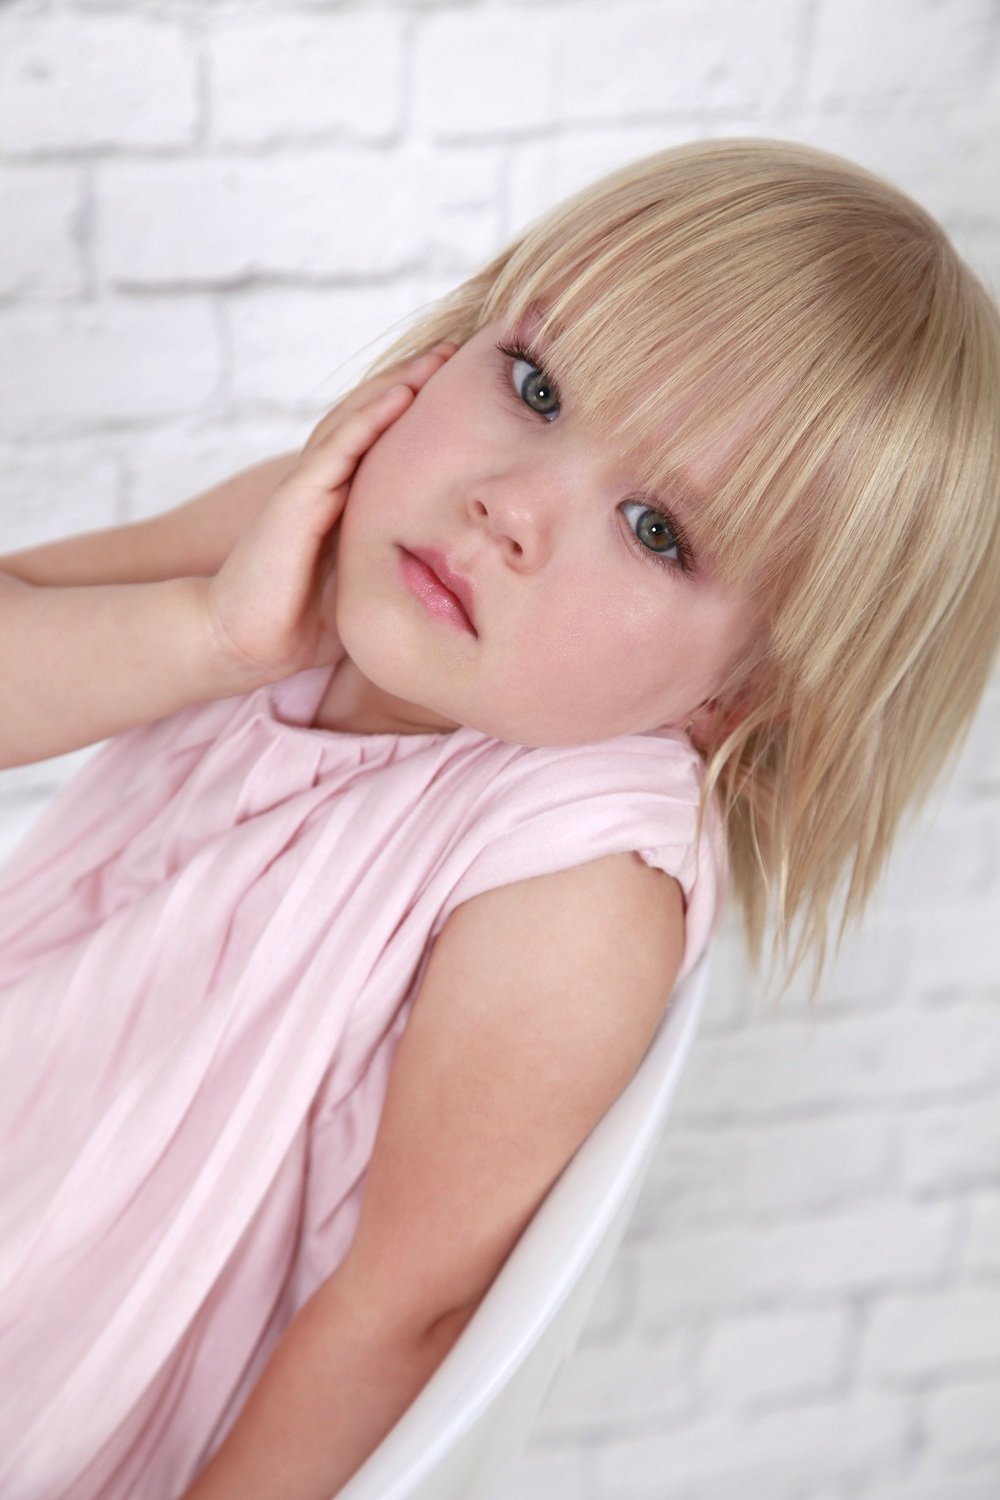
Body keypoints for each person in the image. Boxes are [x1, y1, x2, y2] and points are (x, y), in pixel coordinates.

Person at [0, 137, 997, 1499]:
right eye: (537, 386)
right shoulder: (325, 531)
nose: (511, 509)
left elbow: (396, 1320)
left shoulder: (575, 885)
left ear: (744, 694)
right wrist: (211, 635)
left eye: (657, 529)